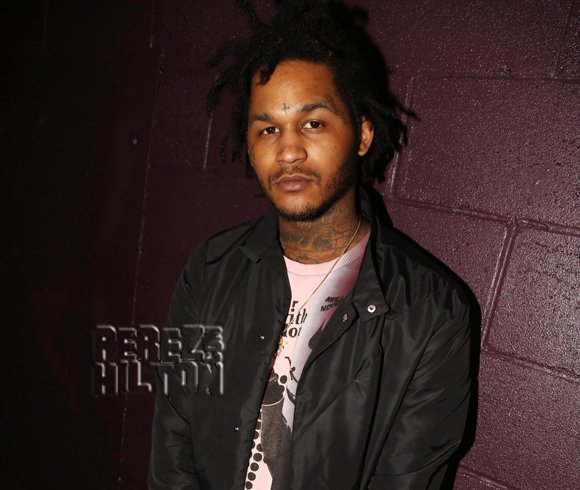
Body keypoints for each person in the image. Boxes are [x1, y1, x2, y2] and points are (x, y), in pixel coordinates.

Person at [149, 1, 472, 489]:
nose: (288, 150)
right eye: (268, 129)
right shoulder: (210, 270)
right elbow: (173, 441)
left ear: (362, 133)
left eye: (313, 123)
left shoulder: (431, 313)